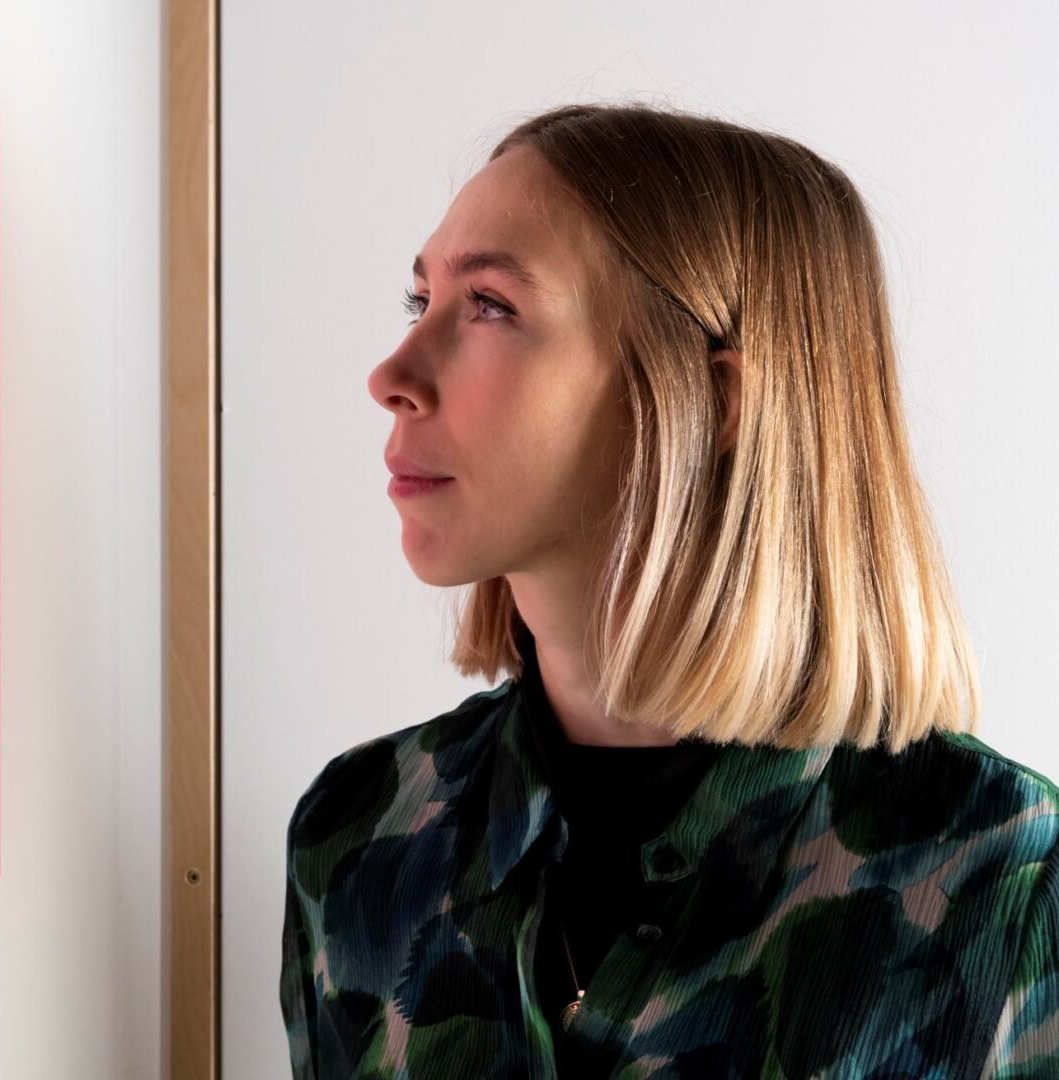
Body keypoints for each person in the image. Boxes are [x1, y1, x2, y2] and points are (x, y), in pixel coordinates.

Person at [279, 102, 1059, 1079]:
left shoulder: (1004, 883)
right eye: (419, 302)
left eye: (488, 306)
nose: (391, 374)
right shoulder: (359, 838)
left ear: (712, 402)